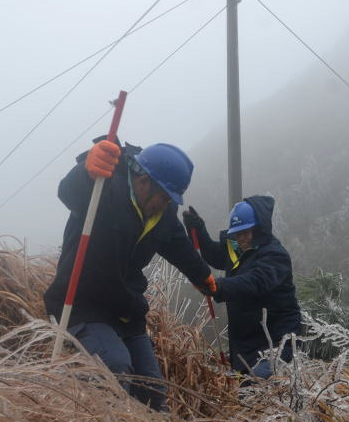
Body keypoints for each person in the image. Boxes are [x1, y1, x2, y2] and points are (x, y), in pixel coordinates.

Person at [43, 135, 216, 411]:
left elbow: (178, 246)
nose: (165, 204)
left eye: (171, 199)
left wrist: (203, 276)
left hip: (126, 307)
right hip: (82, 301)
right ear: (144, 180)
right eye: (163, 196)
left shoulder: (163, 213)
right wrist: (87, 170)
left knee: (152, 392)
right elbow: (71, 192)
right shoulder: (104, 187)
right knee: (114, 366)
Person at [182, 195, 301, 379]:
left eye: (246, 232)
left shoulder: (275, 256)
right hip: (246, 344)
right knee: (242, 392)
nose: (241, 239)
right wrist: (198, 229)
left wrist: (219, 287)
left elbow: (254, 282)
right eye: (237, 234)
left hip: (276, 341)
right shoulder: (238, 249)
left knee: (255, 389)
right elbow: (213, 255)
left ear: (259, 228)